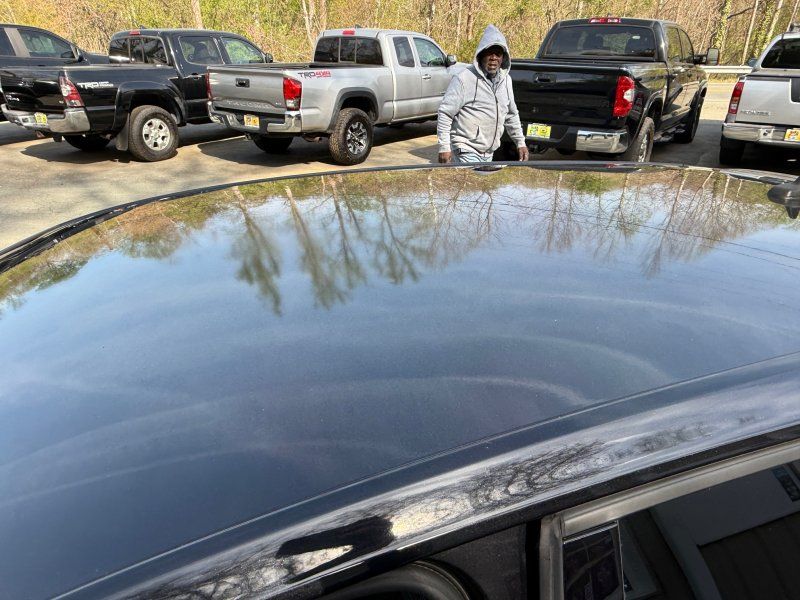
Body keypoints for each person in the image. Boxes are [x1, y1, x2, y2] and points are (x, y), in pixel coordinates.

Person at [437, 25, 529, 164]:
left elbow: (511, 114)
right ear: (480, 55)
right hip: (465, 149)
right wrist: (444, 146)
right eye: (489, 53)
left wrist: (520, 143)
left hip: (488, 153)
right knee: (473, 179)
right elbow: (445, 113)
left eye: (498, 54)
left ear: (503, 58)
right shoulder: (464, 78)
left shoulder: (506, 81)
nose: (493, 58)